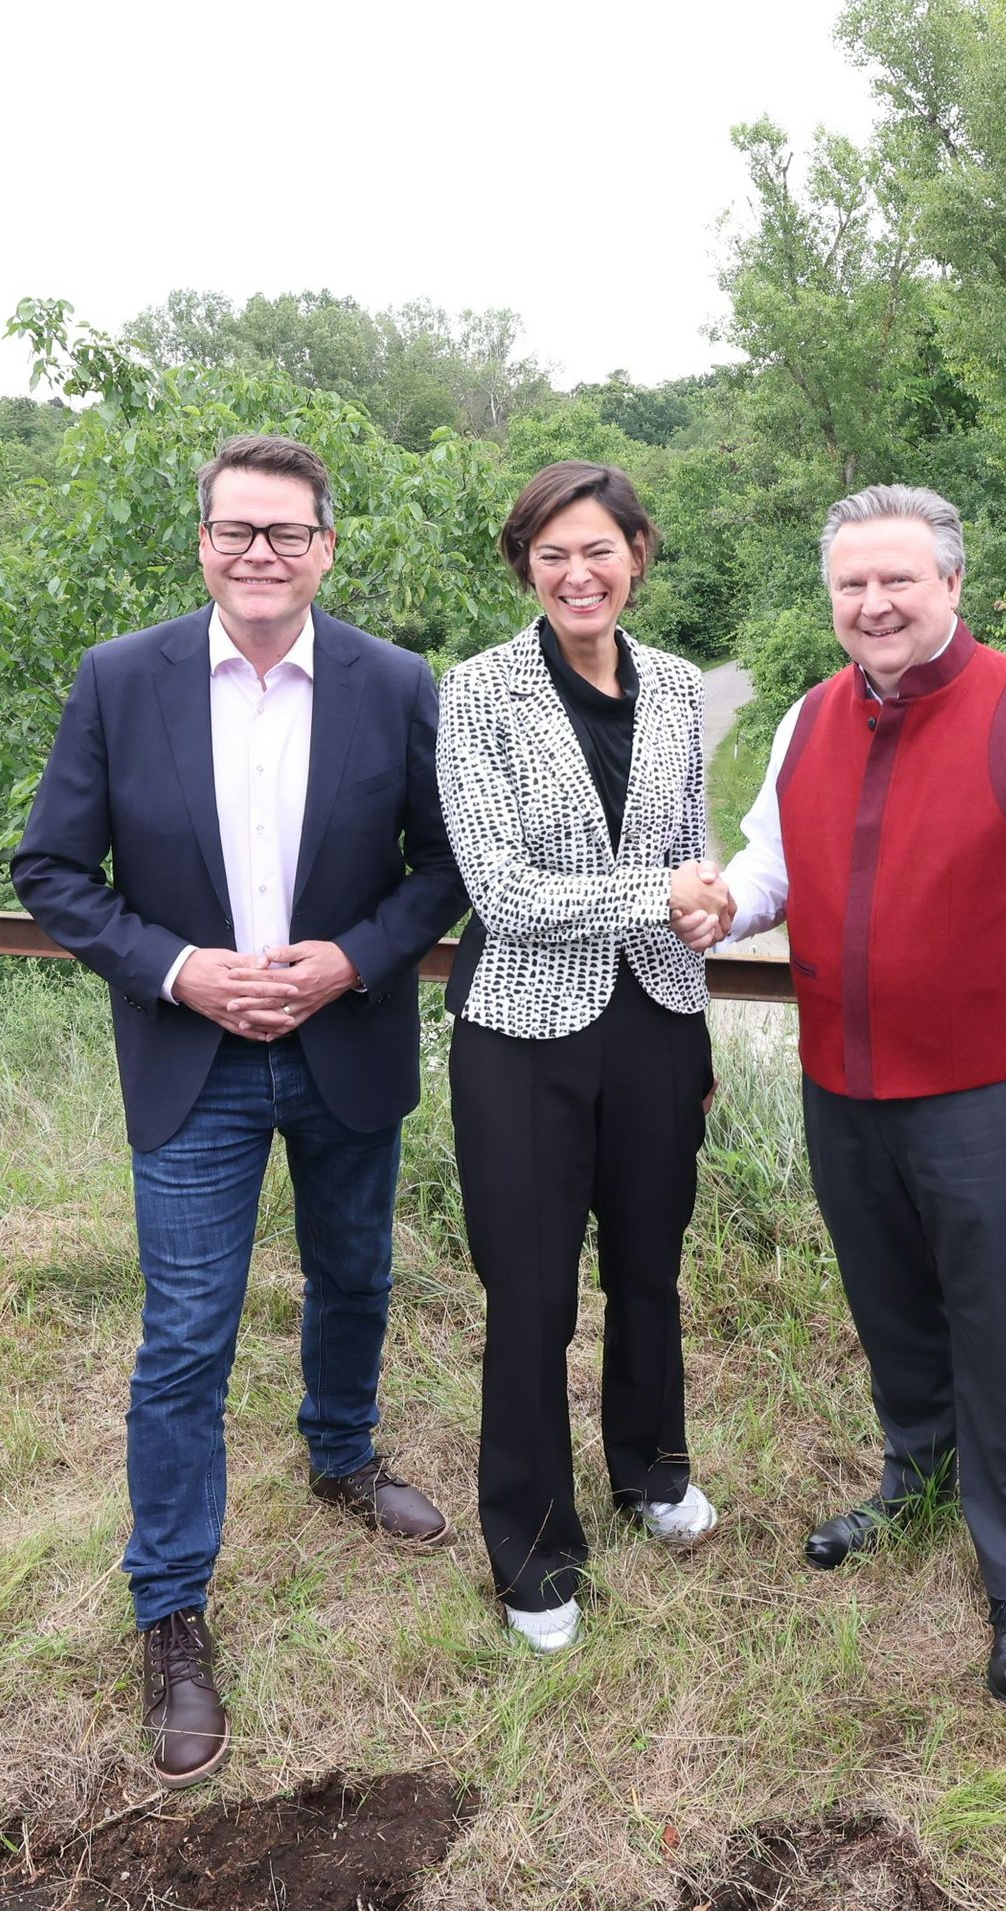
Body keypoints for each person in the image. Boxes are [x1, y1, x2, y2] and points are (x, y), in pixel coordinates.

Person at [12, 433, 469, 1788]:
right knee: (186, 1336)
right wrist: (180, 969)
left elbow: (443, 863)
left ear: (327, 546)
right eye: (235, 530)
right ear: (203, 541)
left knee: (355, 1273)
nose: (258, 553)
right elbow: (52, 867)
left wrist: (350, 960)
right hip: (192, 1057)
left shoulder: (397, 683)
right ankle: (171, 1609)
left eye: (285, 532)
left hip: (345, 1043)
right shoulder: (120, 679)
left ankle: (341, 1455)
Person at [679, 484, 1006, 1706]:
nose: (874, 603)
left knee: (999, 1329)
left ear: (950, 584)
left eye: (898, 579)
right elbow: (776, 862)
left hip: (988, 1088)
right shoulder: (807, 717)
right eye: (852, 584)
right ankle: (918, 1473)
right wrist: (729, 902)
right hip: (844, 1078)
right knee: (888, 1302)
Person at [433, 460, 734, 1658]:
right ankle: (533, 1545)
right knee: (533, 1293)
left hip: (654, 1017)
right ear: (526, 566)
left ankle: (653, 1469)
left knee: (650, 1267)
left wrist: (702, 920)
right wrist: (657, 893)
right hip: (521, 1031)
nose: (577, 573)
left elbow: (689, 851)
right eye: (552, 553)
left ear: (638, 554)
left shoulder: (678, 686)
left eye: (599, 548)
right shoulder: (476, 690)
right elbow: (501, 889)